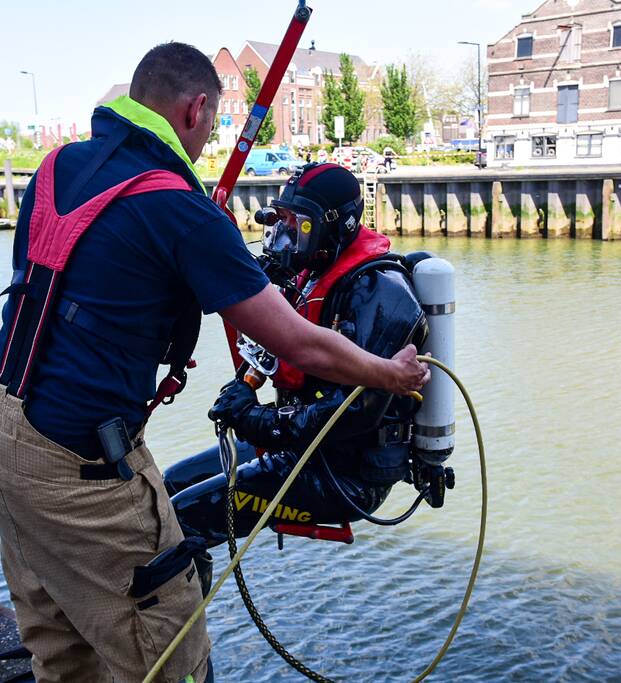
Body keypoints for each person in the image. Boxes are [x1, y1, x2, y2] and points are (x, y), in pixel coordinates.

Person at [0, 44, 429, 683]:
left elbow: (88, 286)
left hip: (1, 429)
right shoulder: (178, 207)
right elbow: (297, 343)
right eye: (213, 124)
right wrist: (394, 375)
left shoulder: (56, 169)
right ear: (195, 109)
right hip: (76, 460)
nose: (210, 138)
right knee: (171, 650)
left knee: (65, 654)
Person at [165, 163, 428, 558]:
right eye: (281, 221)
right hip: (299, 447)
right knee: (169, 486)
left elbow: (351, 412)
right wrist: (245, 390)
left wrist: (256, 421)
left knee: (184, 517)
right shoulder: (310, 278)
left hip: (347, 474)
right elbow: (271, 352)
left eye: (298, 225)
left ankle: (171, 619)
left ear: (334, 225)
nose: (286, 236)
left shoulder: (378, 293)